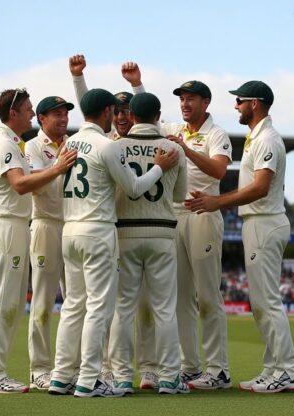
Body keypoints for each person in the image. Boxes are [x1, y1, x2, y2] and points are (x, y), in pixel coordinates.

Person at [48, 88, 179, 398]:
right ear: (107, 111)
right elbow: (134, 188)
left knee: (72, 307)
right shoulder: (107, 146)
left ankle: (61, 376)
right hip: (98, 230)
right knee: (98, 308)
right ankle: (90, 379)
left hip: (70, 229)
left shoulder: (68, 144)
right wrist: (160, 166)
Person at [187, 80, 294, 394]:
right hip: (259, 222)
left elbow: (260, 187)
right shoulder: (258, 136)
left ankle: (289, 371)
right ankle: (273, 368)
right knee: (260, 302)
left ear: (255, 103)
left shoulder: (267, 139)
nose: (236, 105)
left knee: (266, 301)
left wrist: (217, 202)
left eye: (240, 100)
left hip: (265, 222)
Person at [120, 64, 234, 390]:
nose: (185, 104)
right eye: (182, 99)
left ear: (206, 103)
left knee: (209, 296)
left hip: (203, 215)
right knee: (181, 298)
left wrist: (186, 150)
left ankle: (219, 370)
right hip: (174, 217)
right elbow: (147, 116)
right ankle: (190, 366)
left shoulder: (216, 134)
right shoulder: (173, 127)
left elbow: (219, 171)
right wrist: (138, 84)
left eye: (192, 99)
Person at [0, 88, 77, 394]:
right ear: (13, 113)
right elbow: (19, 185)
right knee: (6, 302)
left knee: (11, 303)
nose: (31, 113)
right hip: (7, 225)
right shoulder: (5, 143)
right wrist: (57, 168)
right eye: (28, 109)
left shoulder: (12, 142)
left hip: (16, 225)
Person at [108, 92, 189, 395]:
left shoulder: (115, 147)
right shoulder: (172, 148)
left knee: (122, 308)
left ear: (130, 115)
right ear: (157, 115)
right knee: (164, 309)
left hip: (124, 234)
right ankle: (168, 377)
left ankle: (120, 378)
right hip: (161, 232)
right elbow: (180, 196)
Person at [25, 95, 75, 390]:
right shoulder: (32, 146)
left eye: (65, 113)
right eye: (56, 114)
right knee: (43, 301)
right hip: (45, 224)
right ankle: (40, 369)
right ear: (42, 119)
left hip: (73, 226)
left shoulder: (74, 143)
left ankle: (73, 366)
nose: (63, 118)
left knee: (75, 300)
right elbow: (31, 181)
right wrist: (57, 166)